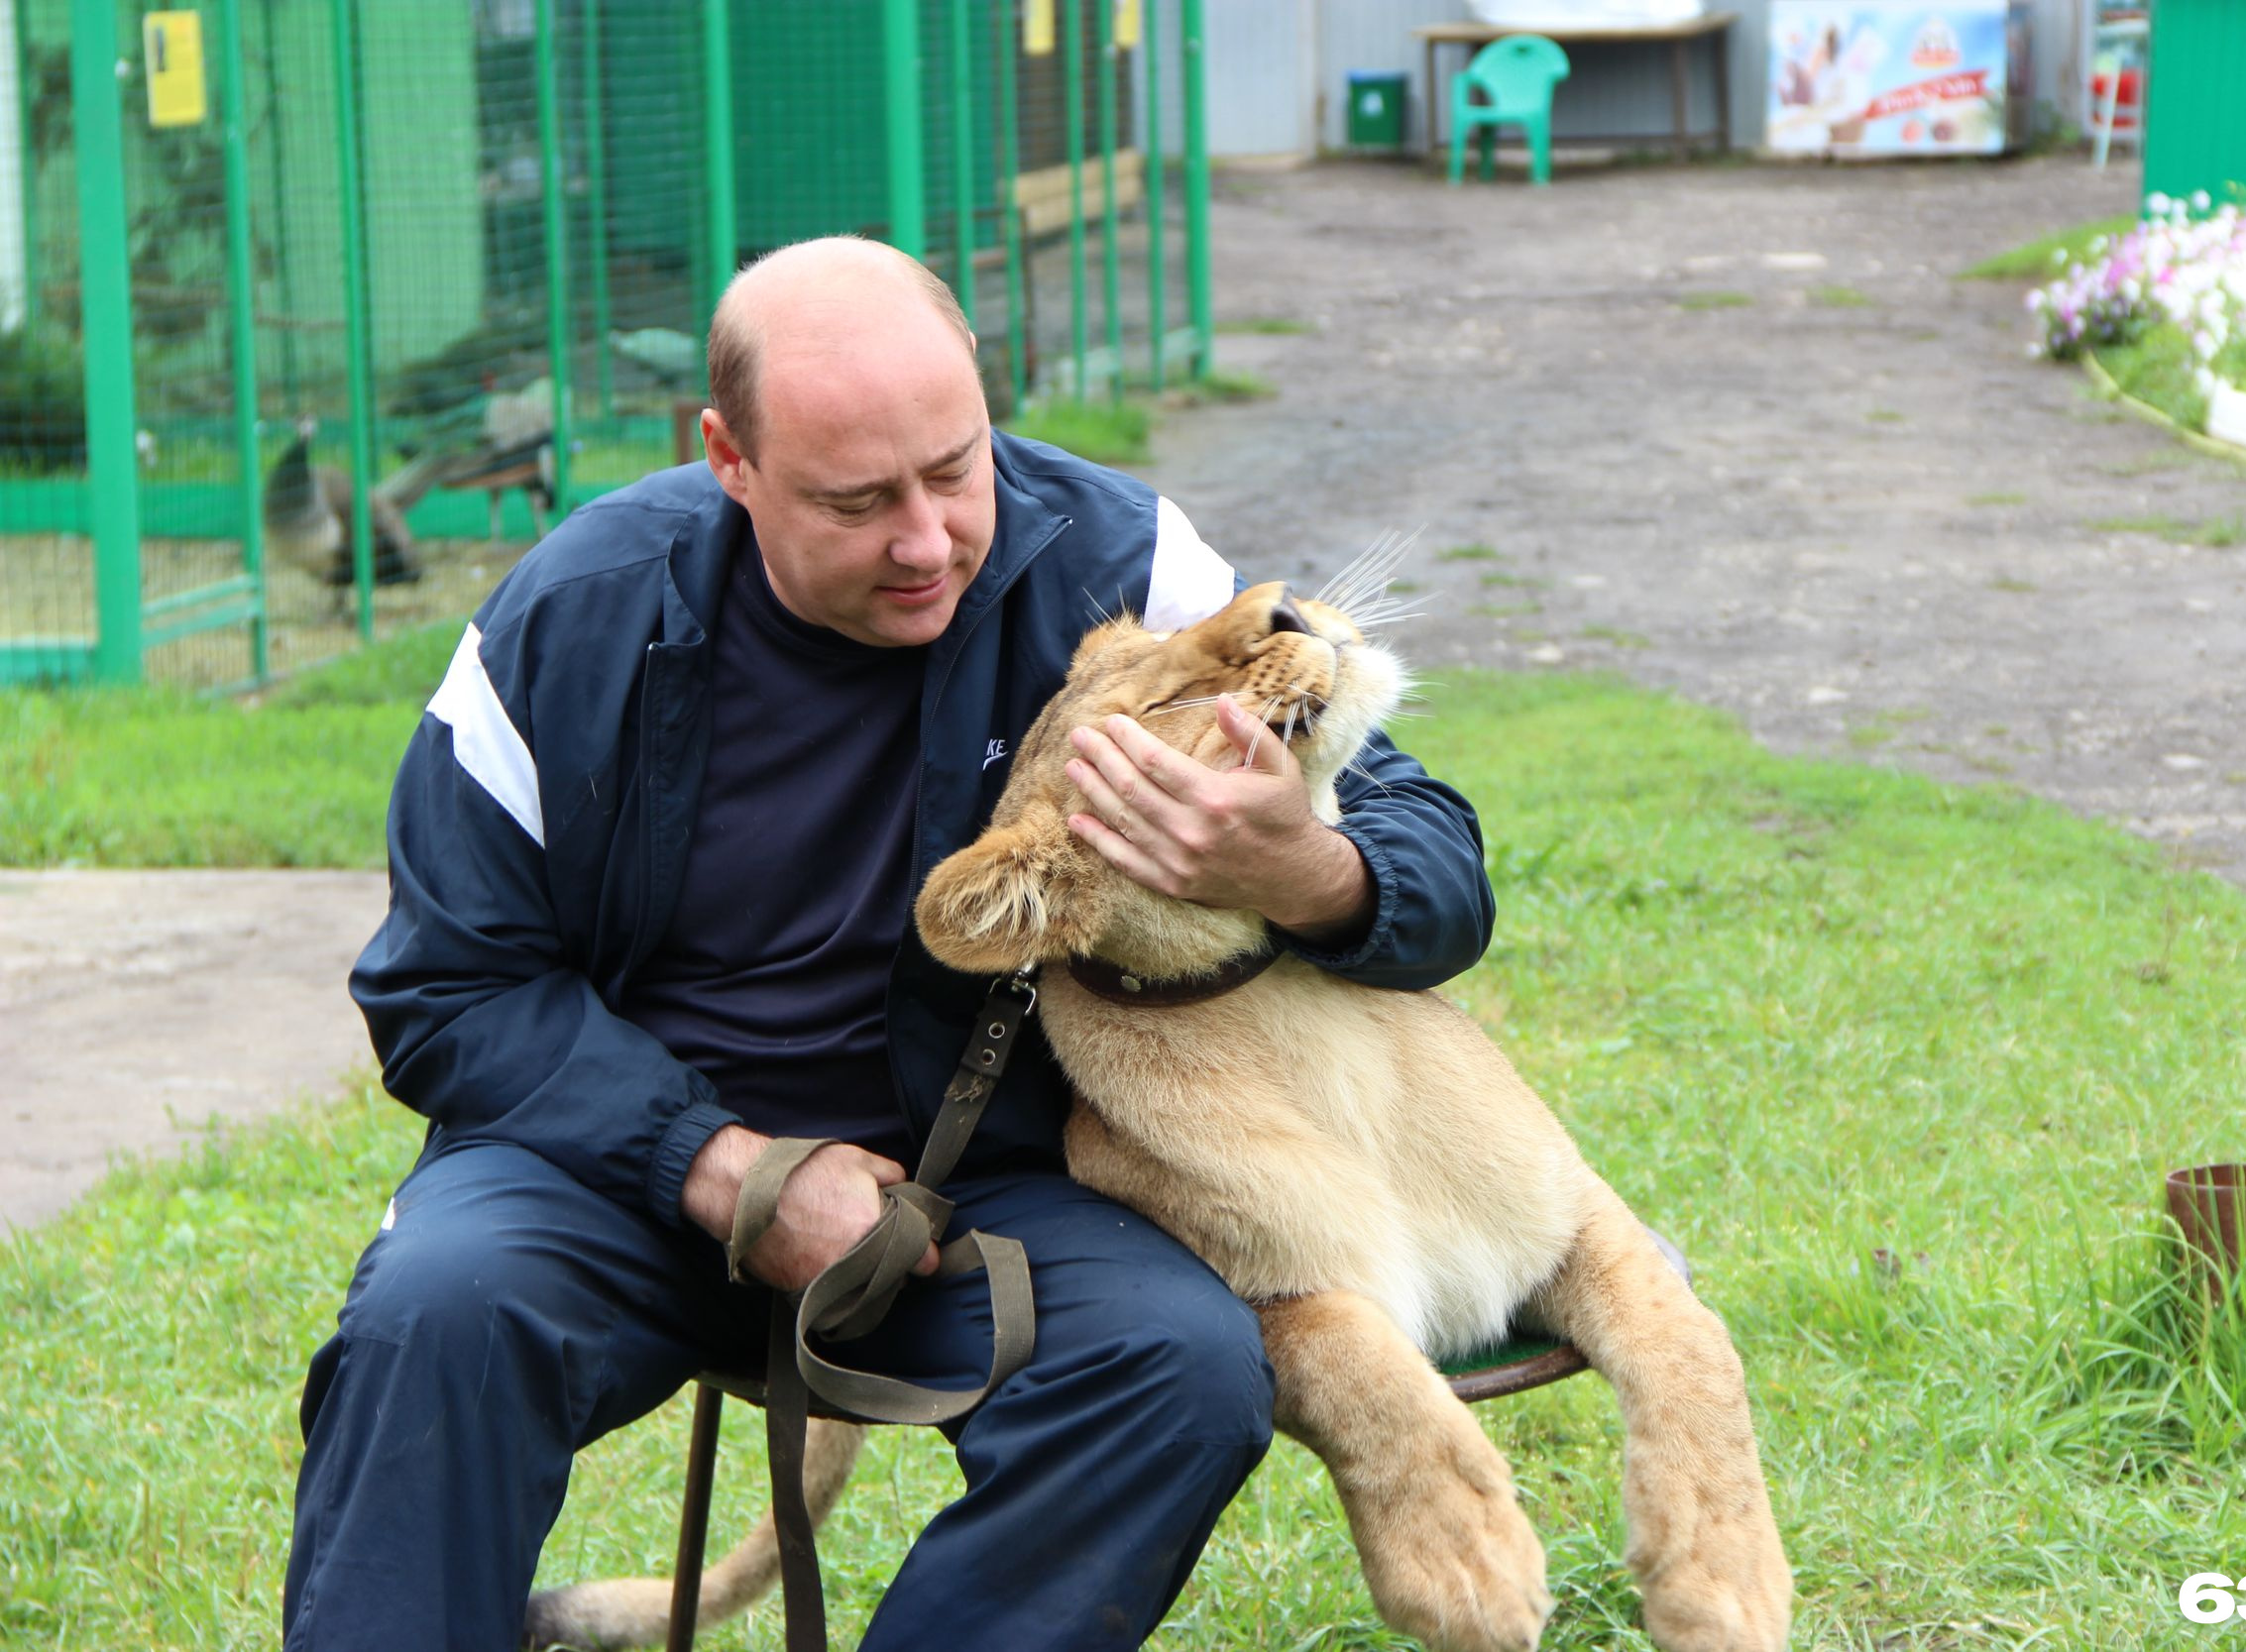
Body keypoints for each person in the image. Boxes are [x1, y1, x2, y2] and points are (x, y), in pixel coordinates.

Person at [282, 237, 1495, 1651]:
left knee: (1174, 1366)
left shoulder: (1115, 561)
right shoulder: (572, 616)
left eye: (954, 469)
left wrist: (1310, 869)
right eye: (855, 502)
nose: (926, 540)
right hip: (615, 1172)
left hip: (984, 1185)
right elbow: (445, 988)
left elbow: (1437, 857)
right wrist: (722, 1169)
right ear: (728, 456)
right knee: (434, 1314)